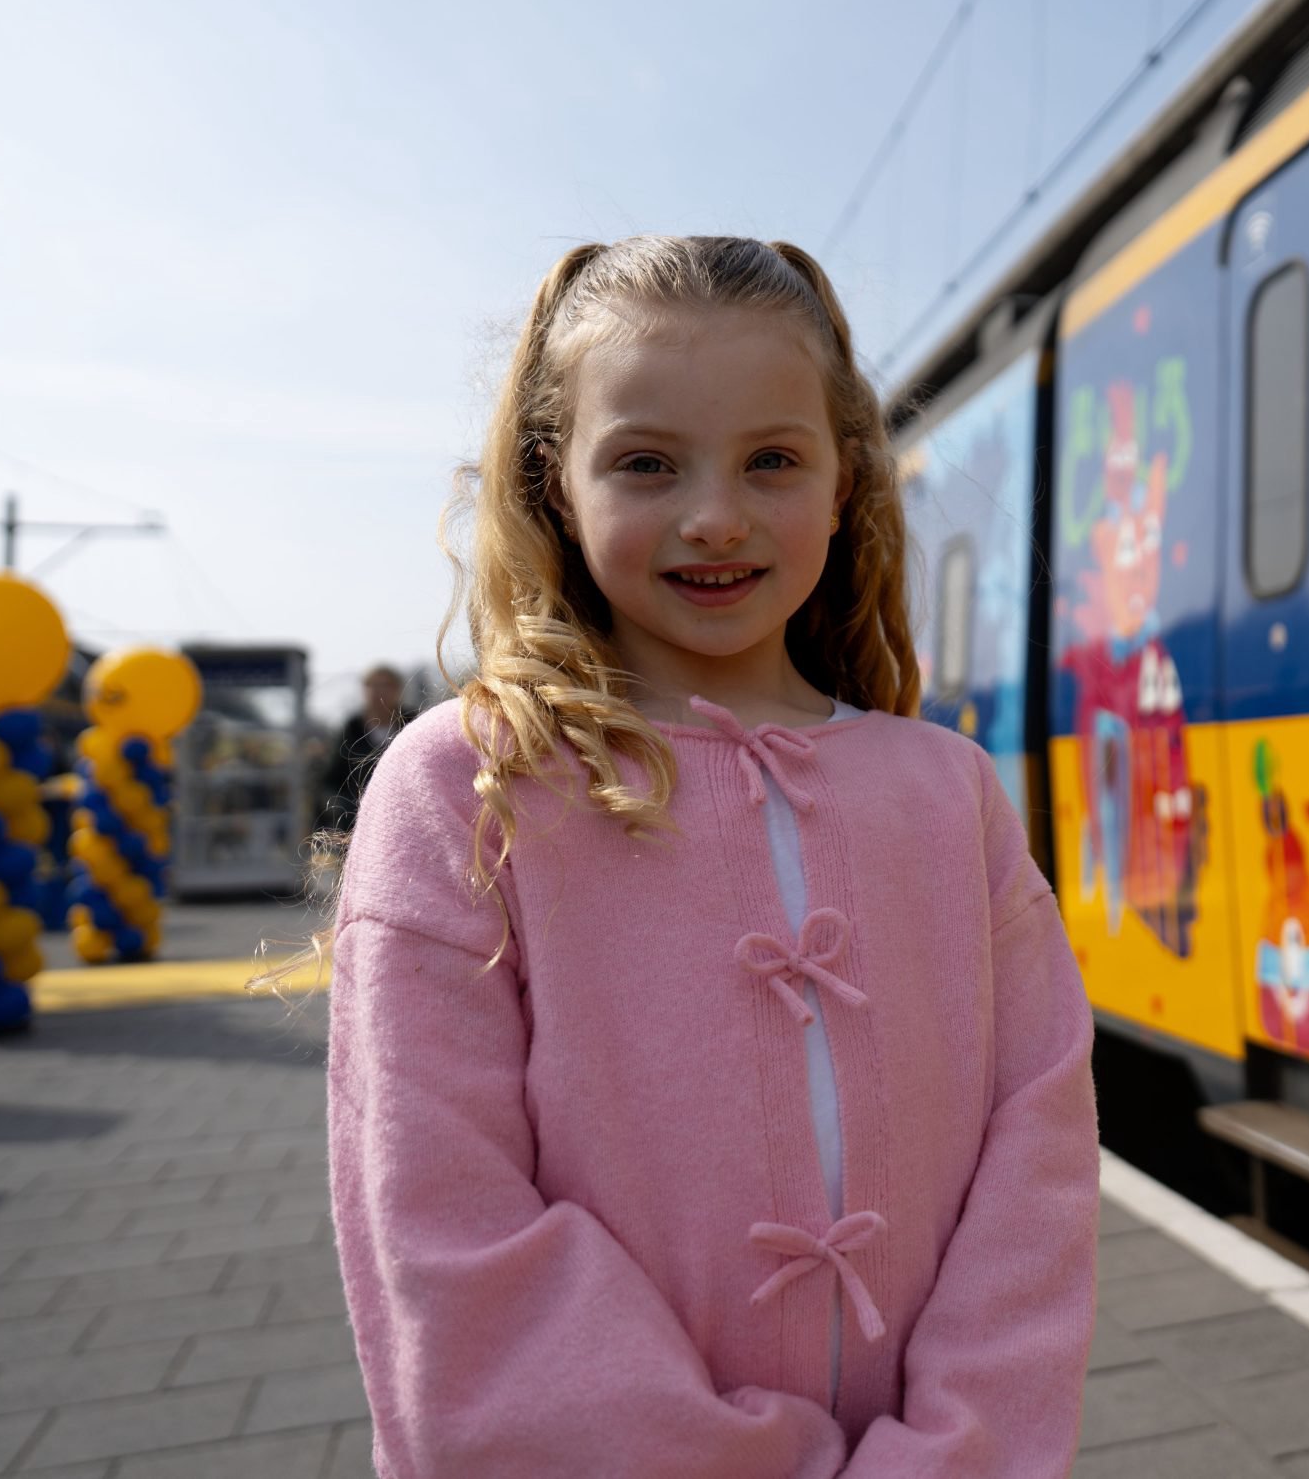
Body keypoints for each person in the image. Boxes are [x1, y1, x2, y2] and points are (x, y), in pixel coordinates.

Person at [324, 236, 1097, 1476]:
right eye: (643, 463)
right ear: (552, 484)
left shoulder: (947, 794)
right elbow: (439, 1226)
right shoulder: (466, 787)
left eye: (773, 460)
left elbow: (1039, 1163)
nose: (715, 516)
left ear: (846, 479)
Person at [316, 664, 406, 832]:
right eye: (373, 685)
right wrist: (341, 807)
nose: (379, 691)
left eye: (386, 685)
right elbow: (332, 778)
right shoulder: (352, 729)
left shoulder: (413, 724)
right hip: (358, 820)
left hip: (406, 815)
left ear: (398, 690)